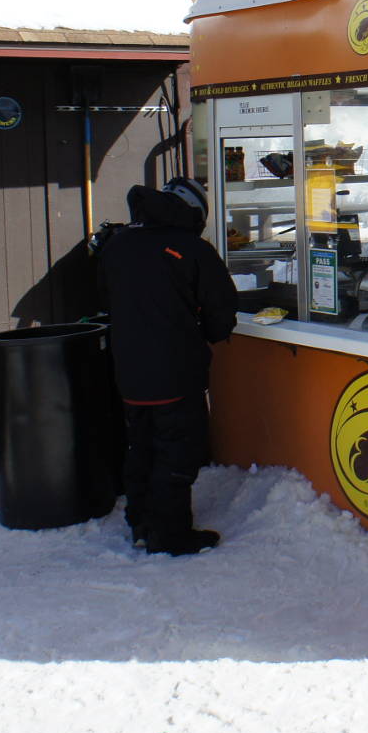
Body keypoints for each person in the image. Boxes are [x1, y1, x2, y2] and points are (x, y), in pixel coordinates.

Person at [97, 176, 238, 556]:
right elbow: (221, 312)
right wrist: (207, 331)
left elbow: (106, 297)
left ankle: (140, 523)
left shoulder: (118, 244)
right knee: (177, 451)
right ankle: (171, 535)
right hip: (175, 370)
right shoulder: (192, 249)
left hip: (128, 369)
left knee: (140, 446)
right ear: (194, 213)